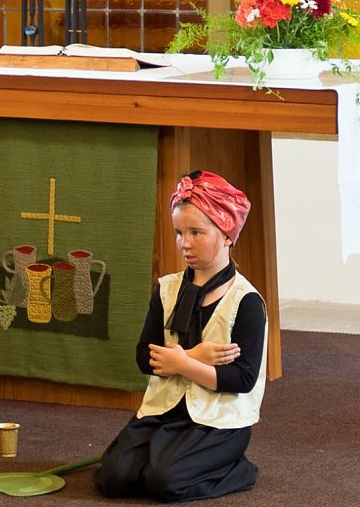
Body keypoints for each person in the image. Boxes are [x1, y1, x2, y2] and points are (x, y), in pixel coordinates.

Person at [93, 170, 267, 502]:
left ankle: (238, 469)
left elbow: (241, 378)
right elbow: (145, 357)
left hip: (217, 419)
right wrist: (195, 356)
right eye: (179, 232)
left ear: (228, 234)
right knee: (113, 477)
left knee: (166, 483)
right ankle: (164, 457)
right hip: (166, 408)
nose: (184, 243)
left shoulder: (245, 301)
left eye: (196, 232)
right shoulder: (168, 288)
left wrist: (181, 363)